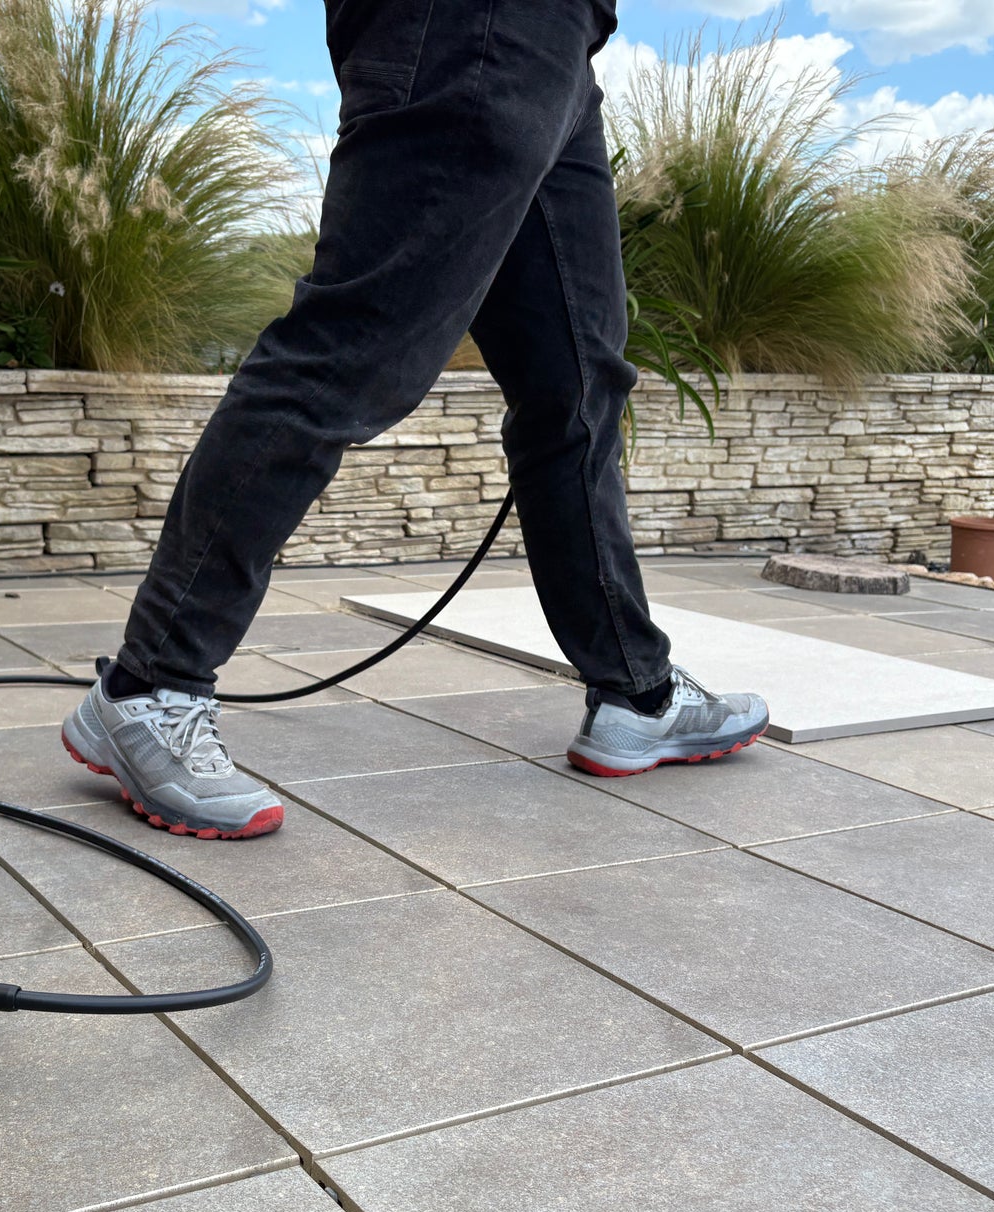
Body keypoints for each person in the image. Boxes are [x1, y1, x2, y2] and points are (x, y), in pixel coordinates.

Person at [61, 0, 768, 838]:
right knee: (348, 352)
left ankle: (636, 693)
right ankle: (150, 687)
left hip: (562, 43)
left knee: (575, 386)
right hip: (474, 24)